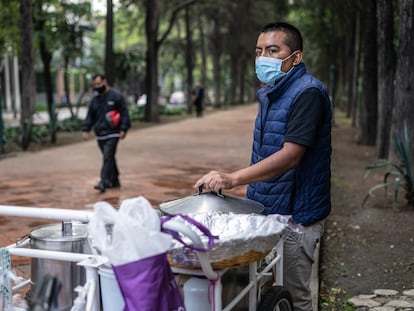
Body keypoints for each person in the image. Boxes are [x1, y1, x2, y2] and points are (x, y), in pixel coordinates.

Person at [194, 22, 332, 310]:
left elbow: (291, 155)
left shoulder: (307, 93)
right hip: (268, 210)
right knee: (265, 286)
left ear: (295, 57)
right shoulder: (274, 91)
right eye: (259, 51)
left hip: (296, 215)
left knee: (295, 295)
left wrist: (232, 178)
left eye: (272, 50)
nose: (263, 58)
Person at [82, 73, 131, 193]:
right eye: (95, 85)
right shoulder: (95, 100)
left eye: (99, 84)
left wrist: (124, 129)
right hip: (100, 134)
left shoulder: (116, 96)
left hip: (113, 133)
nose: (98, 86)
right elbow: (90, 116)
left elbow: (124, 113)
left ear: (105, 82)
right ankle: (114, 180)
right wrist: (86, 129)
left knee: (107, 156)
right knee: (109, 158)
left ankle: (103, 181)